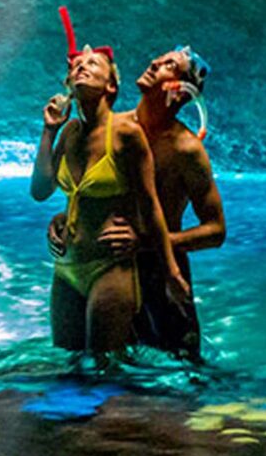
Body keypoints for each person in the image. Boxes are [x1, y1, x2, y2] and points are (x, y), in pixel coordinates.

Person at [48, 46, 226, 365]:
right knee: (99, 367)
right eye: (157, 57)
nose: (155, 61)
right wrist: (66, 217)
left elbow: (216, 230)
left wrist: (148, 243)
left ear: (182, 92)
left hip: (161, 273)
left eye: (169, 64)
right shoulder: (115, 129)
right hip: (109, 265)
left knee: (184, 370)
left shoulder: (186, 150)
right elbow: (91, 189)